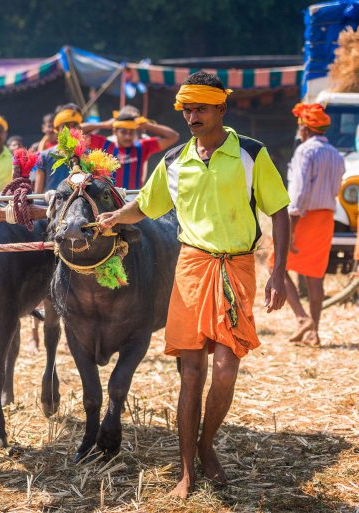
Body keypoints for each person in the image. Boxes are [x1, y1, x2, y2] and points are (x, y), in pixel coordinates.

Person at [97, 72, 290, 498]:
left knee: (225, 370)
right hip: (190, 268)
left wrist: (278, 271)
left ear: (222, 108)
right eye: (186, 108)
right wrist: (113, 218)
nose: (191, 115)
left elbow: (278, 210)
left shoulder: (252, 155)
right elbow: (145, 206)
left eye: (201, 107)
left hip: (236, 269)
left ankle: (207, 446)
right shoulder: (173, 161)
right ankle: (187, 468)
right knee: (191, 373)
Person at [281, 103, 345, 347]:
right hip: (326, 218)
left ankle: (301, 319)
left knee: (278, 266)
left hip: (303, 218)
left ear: (305, 128)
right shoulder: (336, 155)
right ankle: (314, 332)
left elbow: (298, 194)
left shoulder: (305, 152)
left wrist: (292, 229)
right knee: (315, 277)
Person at [85, 107, 180, 190]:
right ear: (115, 131)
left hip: (133, 199)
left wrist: (147, 125)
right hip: (109, 198)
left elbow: (173, 136)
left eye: (131, 132)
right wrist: (104, 124)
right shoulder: (105, 145)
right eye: (123, 132)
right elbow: (76, 132)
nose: (128, 137)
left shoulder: (142, 147)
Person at [34, 103, 108, 194]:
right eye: (66, 126)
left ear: (80, 128)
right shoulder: (44, 156)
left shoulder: (91, 157)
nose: (71, 130)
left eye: (74, 126)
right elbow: (38, 195)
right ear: (57, 130)